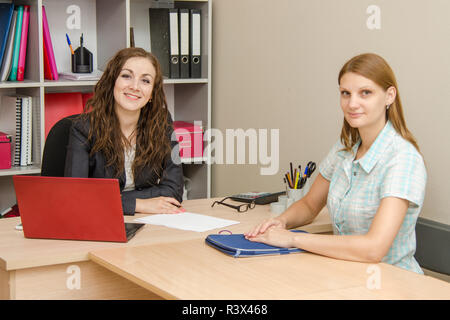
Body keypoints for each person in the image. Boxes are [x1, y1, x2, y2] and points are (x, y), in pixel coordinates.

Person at [245, 53, 427, 274]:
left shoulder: (403, 159)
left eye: (365, 93)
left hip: (391, 282)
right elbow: (310, 205)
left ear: (389, 96)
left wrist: (292, 239)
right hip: (344, 275)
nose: (352, 104)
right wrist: (280, 222)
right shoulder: (344, 149)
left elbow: (374, 249)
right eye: (345, 93)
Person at [64, 47, 185, 215]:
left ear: (151, 94)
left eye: (145, 81)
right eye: (126, 76)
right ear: (112, 81)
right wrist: (138, 205)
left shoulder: (161, 121)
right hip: (99, 220)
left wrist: (111, 199)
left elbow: (174, 190)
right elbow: (75, 195)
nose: (135, 86)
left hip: (148, 223)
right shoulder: (83, 128)